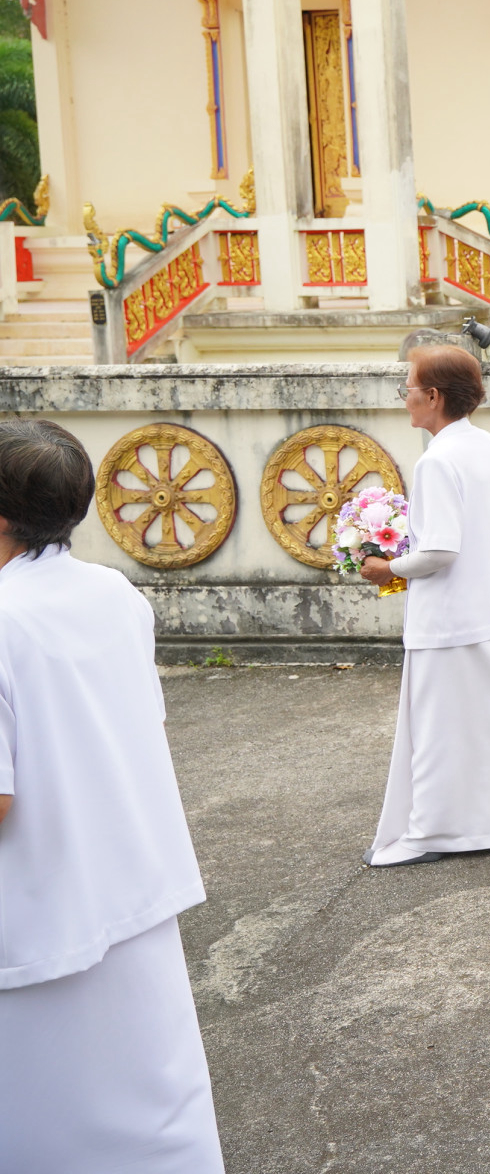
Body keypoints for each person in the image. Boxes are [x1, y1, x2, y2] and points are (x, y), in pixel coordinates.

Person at [0, 421, 225, 1174]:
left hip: (40, 900)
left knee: (45, 1118)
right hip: (132, 880)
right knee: (155, 1104)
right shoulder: (113, 592)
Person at [364, 346, 490, 868]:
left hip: (450, 619)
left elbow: (441, 551)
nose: (404, 398)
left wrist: (388, 569)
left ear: (433, 396)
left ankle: (430, 831)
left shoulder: (438, 460)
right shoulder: (484, 444)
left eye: (408, 388)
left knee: (439, 732)